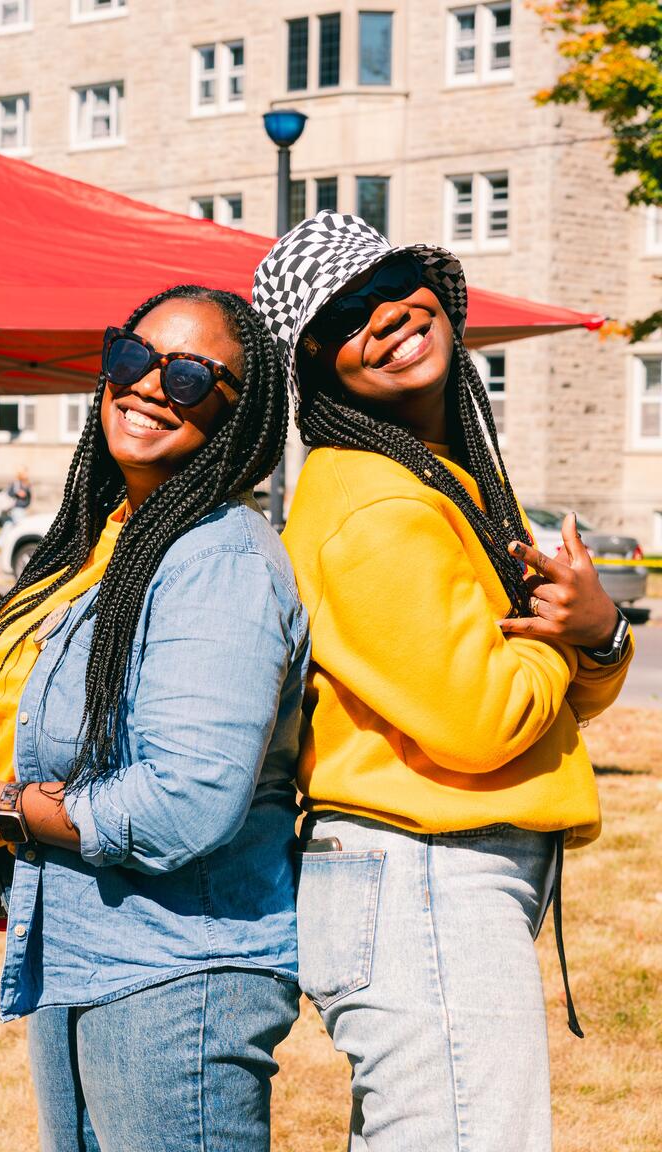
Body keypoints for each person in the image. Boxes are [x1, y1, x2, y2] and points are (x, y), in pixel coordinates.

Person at [252, 211, 634, 1152]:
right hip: (423, 876)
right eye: (346, 315)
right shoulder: (374, 502)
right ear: (315, 367)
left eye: (393, 284)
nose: (384, 315)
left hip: (431, 877)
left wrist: (599, 633)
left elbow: (542, 705)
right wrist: (560, 637)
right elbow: (483, 718)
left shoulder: (433, 477)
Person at [0, 285, 308, 1152]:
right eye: (133, 357)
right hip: (83, 955)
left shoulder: (217, 560)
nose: (151, 386)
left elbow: (185, 800)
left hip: (178, 976)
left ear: (241, 414)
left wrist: (2, 809)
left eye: (192, 376)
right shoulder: (103, 543)